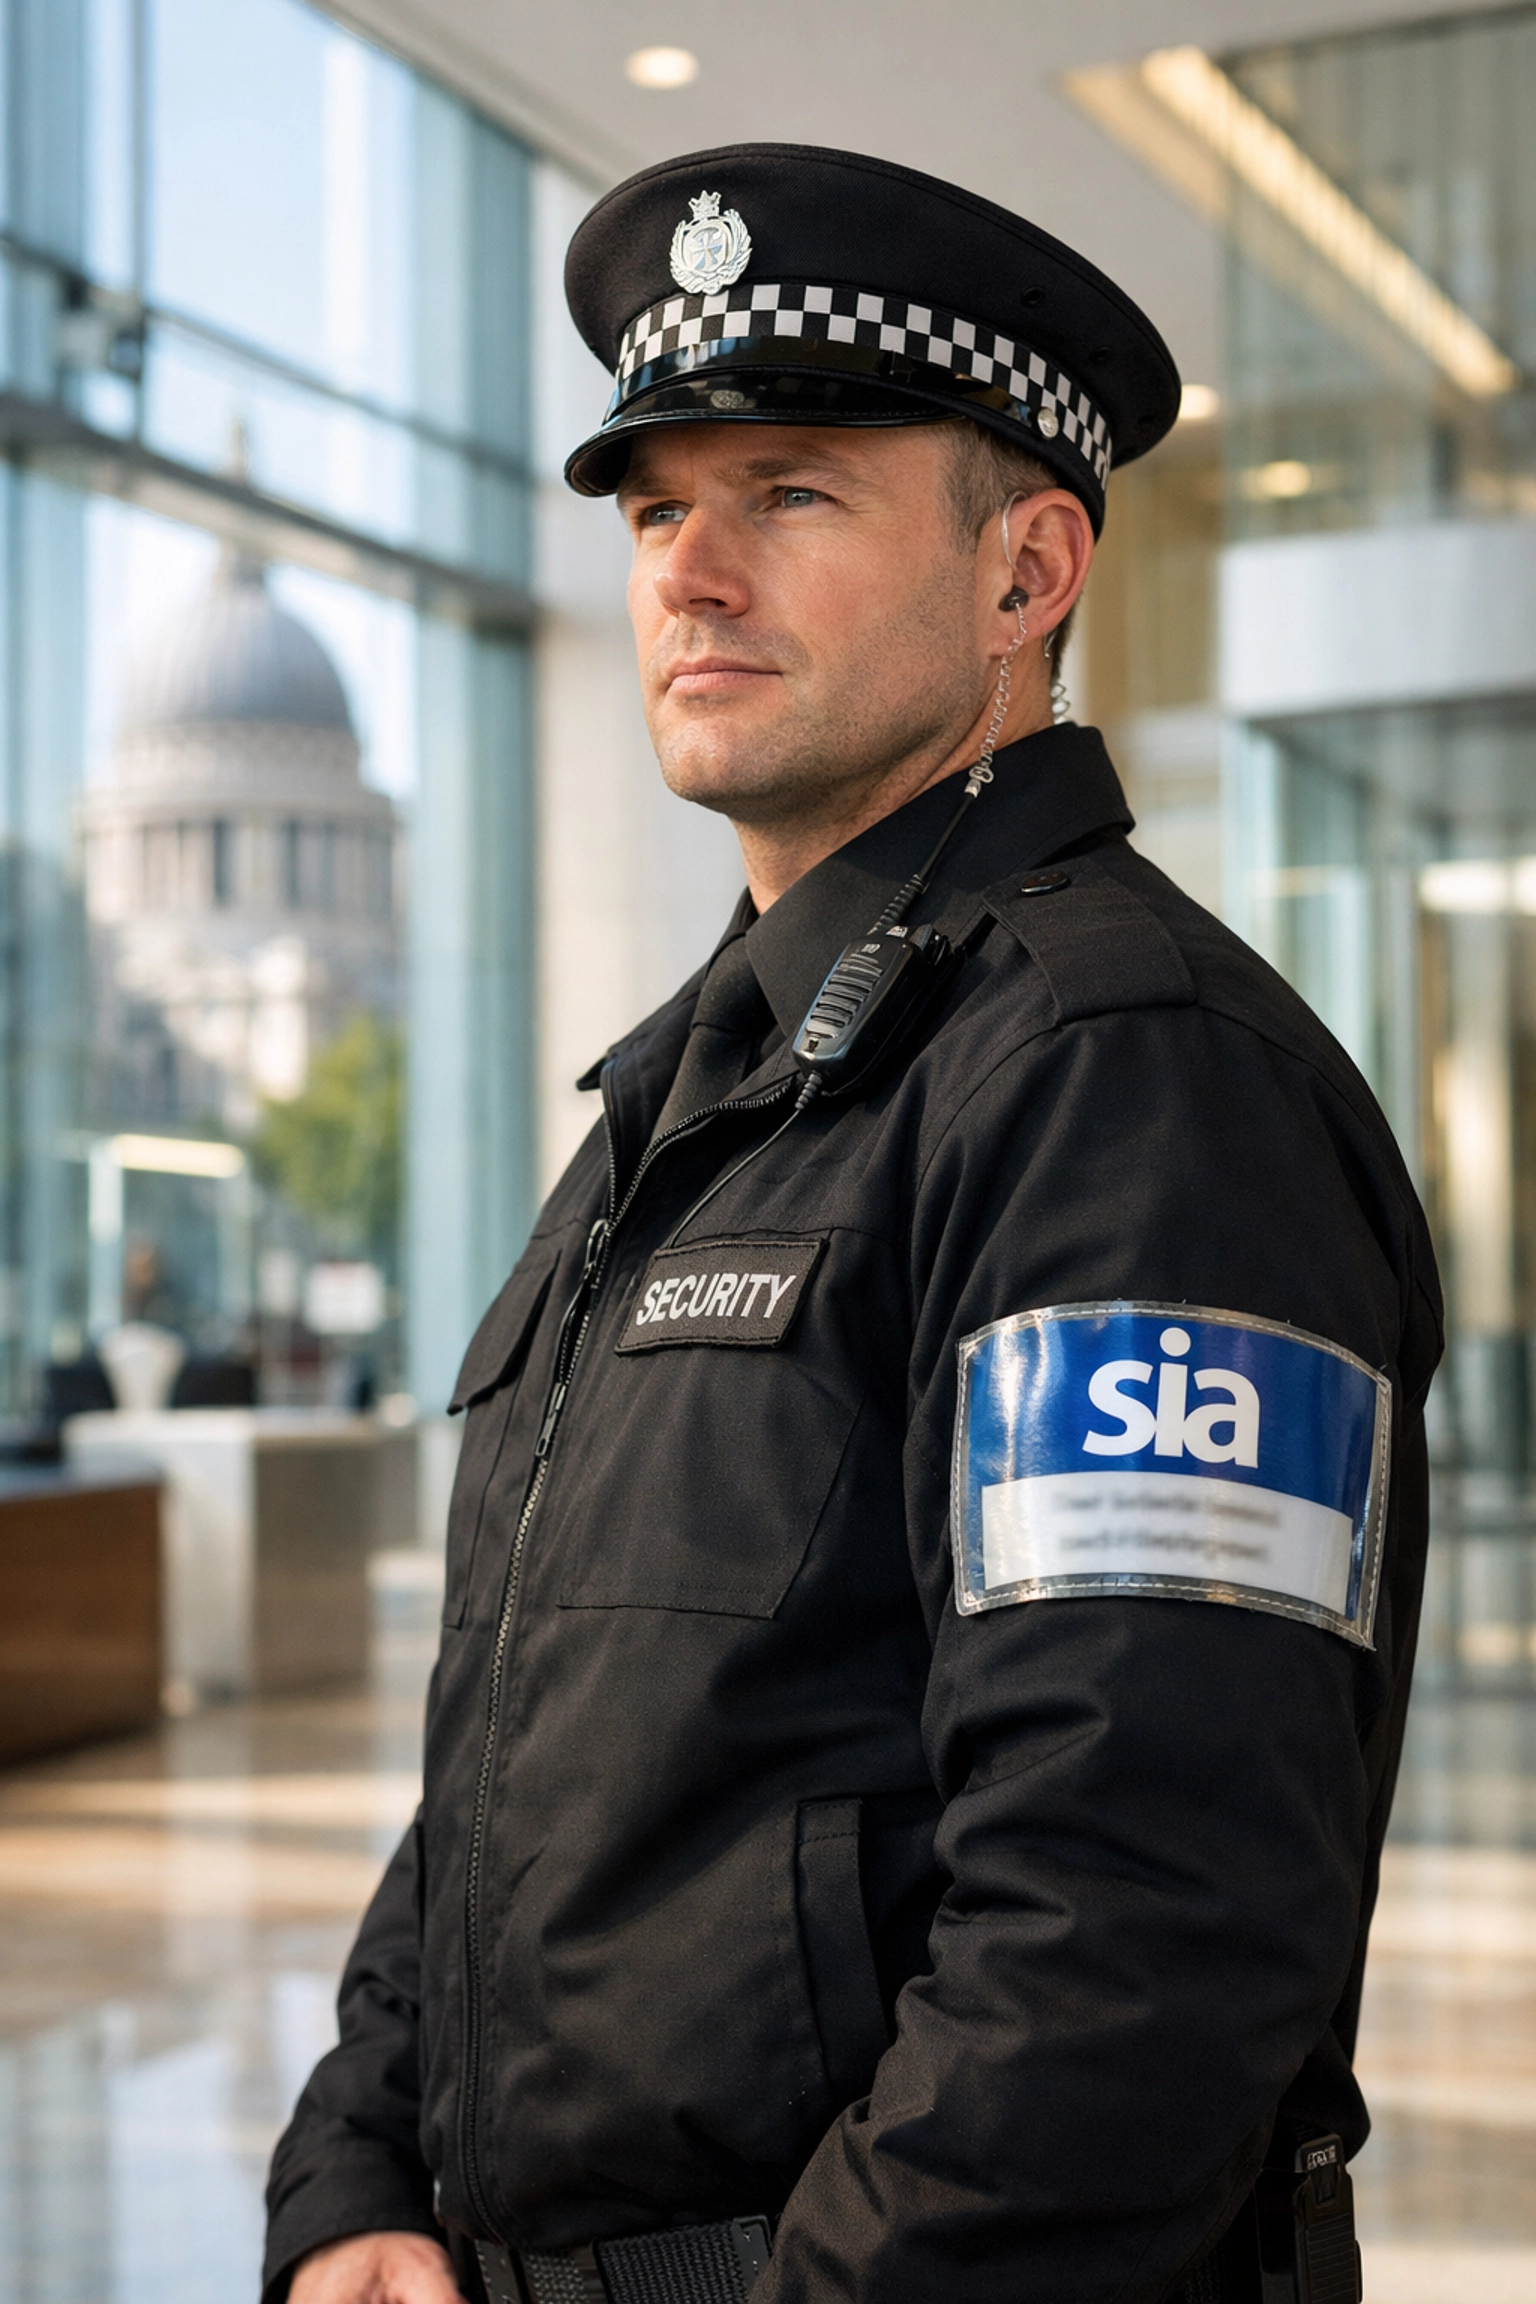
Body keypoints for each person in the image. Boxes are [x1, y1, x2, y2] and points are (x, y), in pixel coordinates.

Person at [266, 144, 1441, 2304]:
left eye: (788, 493)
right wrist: (354, 2180)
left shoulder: (1127, 1081)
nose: (688, 573)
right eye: (650, 512)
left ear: (1028, 575)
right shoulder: (686, 1101)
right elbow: (523, 1747)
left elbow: (1136, 1940)